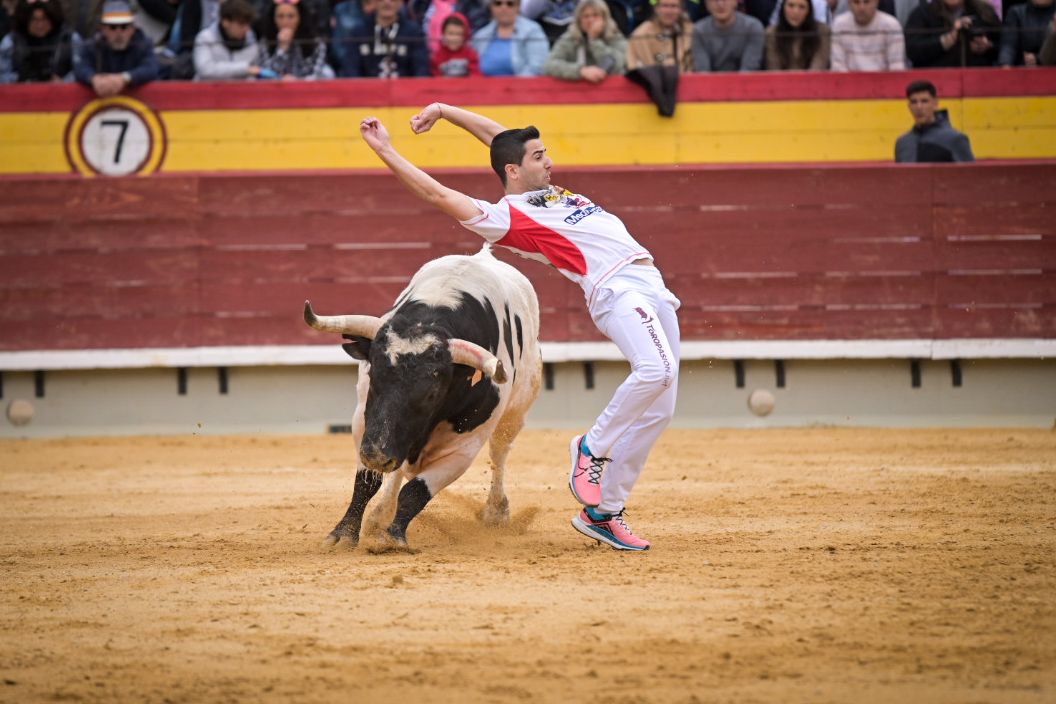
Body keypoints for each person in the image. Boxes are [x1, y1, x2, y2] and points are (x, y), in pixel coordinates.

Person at [359, 103, 681, 551]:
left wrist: (445, 111)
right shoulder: (505, 217)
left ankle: (604, 512)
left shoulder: (544, 190)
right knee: (656, 371)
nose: (548, 161)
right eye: (538, 157)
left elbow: (500, 137)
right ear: (514, 170)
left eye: (545, 153)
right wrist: (386, 151)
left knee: (661, 406)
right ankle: (591, 448)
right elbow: (436, 193)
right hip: (615, 288)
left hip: (652, 284)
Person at [74, 0, 158, 95]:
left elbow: (151, 68)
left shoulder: (143, 44)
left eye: (124, 27)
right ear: (103, 30)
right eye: (113, 27)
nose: (119, 33)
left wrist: (125, 78)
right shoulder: (92, 46)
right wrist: (94, 79)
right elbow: (80, 68)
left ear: (132, 29)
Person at [337, 0, 429, 76]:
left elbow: (421, 70)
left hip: (405, 92)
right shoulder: (358, 32)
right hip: (366, 92)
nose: (387, 2)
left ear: (401, 2)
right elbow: (350, 68)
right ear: (374, 2)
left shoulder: (414, 32)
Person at [543, 0, 626, 81]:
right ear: (579, 21)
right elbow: (549, 65)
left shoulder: (615, 37)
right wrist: (580, 71)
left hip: (611, 90)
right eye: (586, 16)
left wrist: (594, 40)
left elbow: (617, 66)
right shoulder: (570, 37)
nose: (591, 20)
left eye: (595, 15)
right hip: (578, 91)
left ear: (604, 19)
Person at [895, 80, 975, 162]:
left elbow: (972, 174)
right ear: (909, 106)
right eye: (914, 102)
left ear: (935, 103)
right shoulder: (902, 143)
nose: (919, 107)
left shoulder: (955, 139)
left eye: (924, 101)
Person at [904, 0, 1001, 67]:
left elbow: (1005, 45)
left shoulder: (984, 12)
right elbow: (912, 51)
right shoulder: (923, 13)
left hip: (978, 78)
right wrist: (948, 39)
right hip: (935, 78)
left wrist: (988, 46)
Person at [0, 0, 74, 83]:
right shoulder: (10, 41)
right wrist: (20, 79)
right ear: (25, 20)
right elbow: (2, 76)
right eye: (34, 20)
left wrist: (63, 82)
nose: (40, 25)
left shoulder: (69, 38)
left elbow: (81, 71)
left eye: (44, 19)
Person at [469, 0, 548, 75]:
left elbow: (537, 67)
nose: (503, 8)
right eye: (498, 3)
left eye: (510, 4)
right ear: (491, 7)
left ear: (518, 7)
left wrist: (514, 86)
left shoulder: (533, 31)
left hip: (522, 87)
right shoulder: (480, 35)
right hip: (484, 87)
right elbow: (473, 66)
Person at [257, 0, 333, 78]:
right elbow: (266, 74)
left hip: (305, 86)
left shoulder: (316, 42)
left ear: (300, 17)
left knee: (327, 72)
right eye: (280, 16)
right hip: (277, 87)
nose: (285, 21)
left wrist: (297, 81)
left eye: (291, 16)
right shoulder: (266, 42)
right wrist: (282, 49)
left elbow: (316, 74)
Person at [193, 0, 262, 79]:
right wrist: (244, 69)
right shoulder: (205, 38)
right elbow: (205, 70)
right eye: (241, 24)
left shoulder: (251, 41)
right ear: (226, 22)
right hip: (207, 90)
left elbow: (255, 73)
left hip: (240, 90)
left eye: (248, 24)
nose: (246, 29)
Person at [829, 0, 904, 71]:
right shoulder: (839, 25)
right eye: (856, 2)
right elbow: (838, 67)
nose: (862, 8)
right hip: (848, 82)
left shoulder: (892, 26)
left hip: (885, 82)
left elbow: (896, 68)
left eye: (866, 2)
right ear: (849, 3)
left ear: (876, 2)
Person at [691, 0, 765, 71]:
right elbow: (703, 73)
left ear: (736, 2)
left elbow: (748, 70)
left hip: (746, 83)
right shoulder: (699, 31)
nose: (720, 4)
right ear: (706, 3)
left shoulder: (753, 27)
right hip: (710, 83)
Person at [625, 0, 693, 72]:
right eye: (664, 6)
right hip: (651, 81)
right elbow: (633, 68)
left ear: (681, 10)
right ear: (656, 9)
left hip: (687, 81)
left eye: (674, 6)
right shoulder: (640, 35)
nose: (669, 11)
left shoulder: (692, 32)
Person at [764, 0, 830, 70]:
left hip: (813, 80)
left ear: (809, 10)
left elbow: (818, 67)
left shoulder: (822, 31)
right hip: (780, 80)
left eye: (802, 7)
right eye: (791, 6)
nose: (796, 12)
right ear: (783, 8)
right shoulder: (772, 33)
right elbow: (774, 69)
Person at [997, 0, 1054, 66]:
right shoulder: (1016, 13)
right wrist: (1005, 66)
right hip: (1022, 69)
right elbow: (1008, 46)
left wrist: (1038, 59)